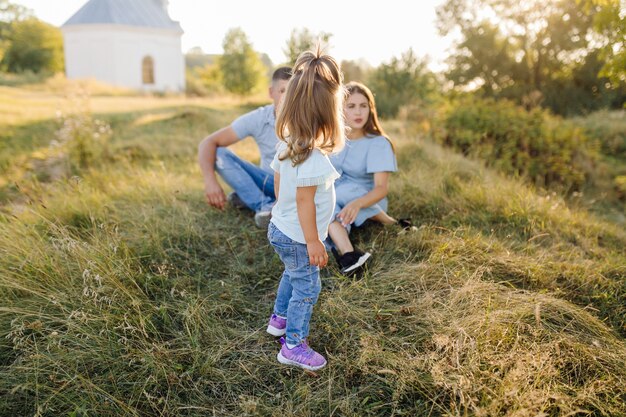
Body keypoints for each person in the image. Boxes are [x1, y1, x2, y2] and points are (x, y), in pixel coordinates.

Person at [265, 48, 345, 371]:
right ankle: (294, 344)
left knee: (292, 272)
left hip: (280, 228)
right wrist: (314, 241)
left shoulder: (288, 142)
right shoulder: (311, 157)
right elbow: (304, 201)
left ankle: (279, 320)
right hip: (299, 236)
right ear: (326, 116)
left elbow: (278, 182)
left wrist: (279, 211)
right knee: (308, 285)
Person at [197, 66, 292, 228]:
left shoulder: (308, 118)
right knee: (219, 153)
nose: (288, 97)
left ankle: (248, 198)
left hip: (298, 185)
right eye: (282, 91)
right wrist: (210, 181)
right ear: (271, 93)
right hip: (268, 181)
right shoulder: (259, 118)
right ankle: (264, 206)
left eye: (293, 92)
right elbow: (208, 142)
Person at [327, 81, 401, 277]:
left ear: (370, 109)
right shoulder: (332, 141)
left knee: (327, 199)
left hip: (367, 199)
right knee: (326, 204)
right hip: (339, 201)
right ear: (340, 110)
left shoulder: (378, 143)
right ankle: (350, 253)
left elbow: (381, 188)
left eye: (363, 106)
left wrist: (357, 204)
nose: (358, 112)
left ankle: (350, 253)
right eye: (351, 106)